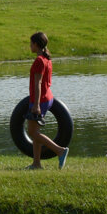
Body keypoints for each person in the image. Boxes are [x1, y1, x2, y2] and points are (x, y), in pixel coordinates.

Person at [25, 31, 69, 170]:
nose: (30, 46)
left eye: (31, 43)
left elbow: (38, 83)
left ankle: (60, 151)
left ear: (36, 44)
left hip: (41, 100)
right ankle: (36, 164)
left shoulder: (39, 61)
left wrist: (36, 105)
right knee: (35, 132)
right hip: (47, 97)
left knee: (32, 132)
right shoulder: (46, 59)